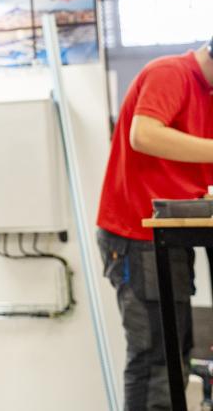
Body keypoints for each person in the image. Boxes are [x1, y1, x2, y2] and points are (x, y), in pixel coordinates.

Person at [97, 40, 213, 411]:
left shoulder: (206, 91)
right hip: (137, 234)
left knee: (175, 355)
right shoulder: (172, 73)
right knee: (155, 361)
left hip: (167, 233)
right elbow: (142, 134)